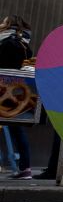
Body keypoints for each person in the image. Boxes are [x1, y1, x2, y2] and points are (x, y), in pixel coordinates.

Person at [0, 15, 33, 180]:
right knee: (16, 128)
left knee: (14, 128)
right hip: (18, 91)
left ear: (9, 24)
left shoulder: (6, 42)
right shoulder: (24, 44)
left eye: (4, 21)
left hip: (3, 88)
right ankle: (25, 167)